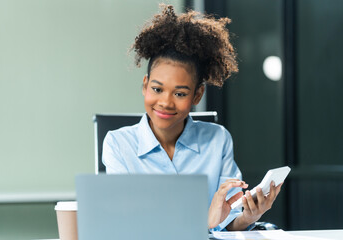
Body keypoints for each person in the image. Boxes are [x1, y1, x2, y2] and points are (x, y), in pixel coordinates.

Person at [102, 4, 282, 231]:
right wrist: (205, 224)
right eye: (157, 89)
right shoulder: (118, 144)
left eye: (180, 93)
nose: (166, 102)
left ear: (197, 95)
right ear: (145, 85)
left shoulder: (218, 140)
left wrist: (248, 217)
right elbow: (126, 226)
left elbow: (228, 224)